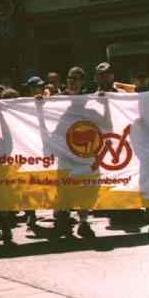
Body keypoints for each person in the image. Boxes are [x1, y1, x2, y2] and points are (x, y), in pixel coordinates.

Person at [54, 66, 96, 240]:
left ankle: (83, 223)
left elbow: (104, 121)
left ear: (82, 81)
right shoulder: (57, 100)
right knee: (65, 188)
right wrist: (40, 102)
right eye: (70, 77)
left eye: (77, 78)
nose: (73, 81)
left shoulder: (89, 100)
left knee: (85, 188)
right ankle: (63, 221)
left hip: (83, 153)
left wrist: (105, 103)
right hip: (64, 152)